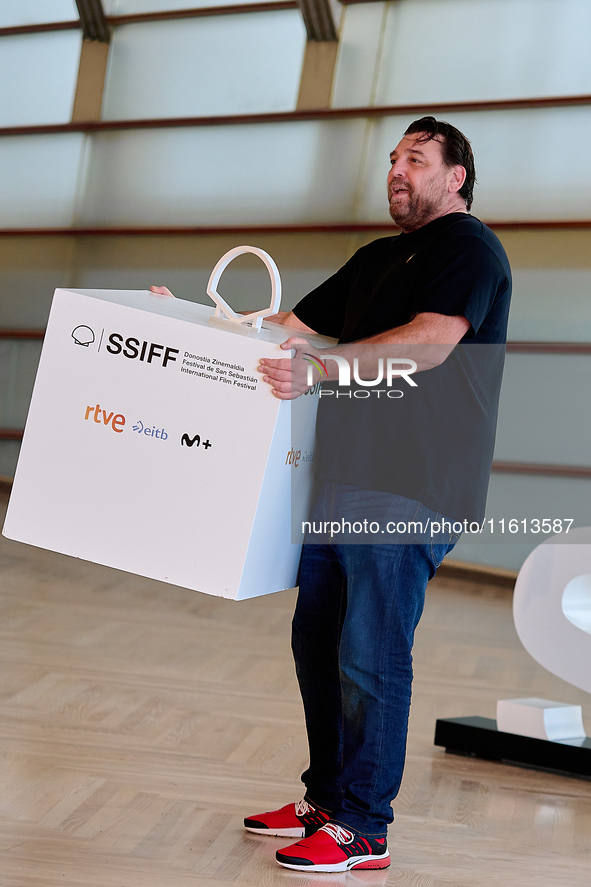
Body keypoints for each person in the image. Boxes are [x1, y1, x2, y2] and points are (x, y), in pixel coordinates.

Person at [243, 116, 512, 873]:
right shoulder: (375, 257)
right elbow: (282, 333)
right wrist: (176, 321)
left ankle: (364, 824)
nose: (397, 170)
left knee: (368, 649)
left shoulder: (469, 249)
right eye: (393, 158)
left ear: (455, 176)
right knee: (317, 639)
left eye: (416, 159)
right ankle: (327, 799)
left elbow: (430, 341)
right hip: (346, 478)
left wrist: (325, 370)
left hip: (413, 483)